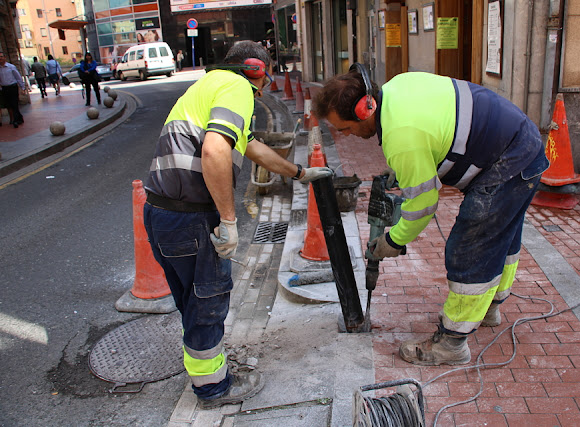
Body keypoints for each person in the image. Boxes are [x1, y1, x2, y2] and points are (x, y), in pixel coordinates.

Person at [312, 64, 549, 366]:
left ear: (365, 109)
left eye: (344, 128)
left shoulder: (401, 137)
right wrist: (406, 171)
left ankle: (451, 343)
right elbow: (435, 132)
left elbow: (424, 206)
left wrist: (394, 240)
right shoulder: (398, 86)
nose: (345, 136)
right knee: (501, 235)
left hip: (509, 161)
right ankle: (488, 306)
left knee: (470, 247)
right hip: (521, 142)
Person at [143, 41, 332, 408]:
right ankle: (214, 389)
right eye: (265, 79)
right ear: (255, 70)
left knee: (192, 301)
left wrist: (299, 172)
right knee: (209, 300)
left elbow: (250, 146)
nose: (263, 90)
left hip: (161, 214)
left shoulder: (206, 87)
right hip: (191, 218)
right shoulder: (236, 87)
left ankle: (205, 370)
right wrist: (229, 221)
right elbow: (216, 149)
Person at [0, 52, 26, 128]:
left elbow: (18, 77)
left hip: (12, 87)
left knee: (14, 103)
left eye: (1, 56)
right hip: (4, 88)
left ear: (4, 57)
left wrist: (22, 87)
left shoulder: (11, 67)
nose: (0, 58)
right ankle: (19, 118)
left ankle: (15, 120)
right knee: (9, 105)